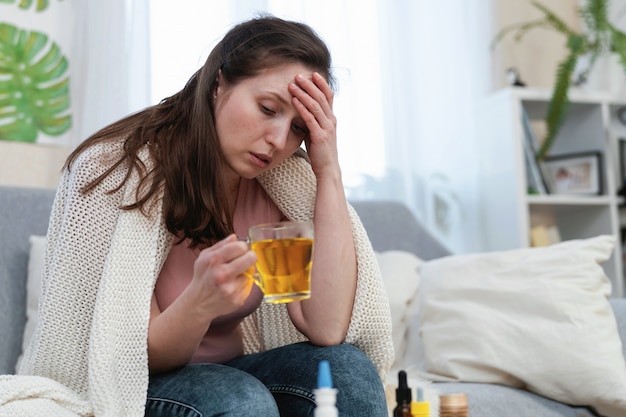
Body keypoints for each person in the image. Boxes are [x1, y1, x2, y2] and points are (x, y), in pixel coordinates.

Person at [4, 14, 392, 417]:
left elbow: (325, 328)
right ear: (219, 83)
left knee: (346, 370)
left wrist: (327, 170)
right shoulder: (116, 170)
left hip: (232, 375)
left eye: (298, 127)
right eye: (266, 108)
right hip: (131, 382)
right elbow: (129, 357)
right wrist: (199, 302)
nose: (279, 141)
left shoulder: (281, 183)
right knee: (242, 398)